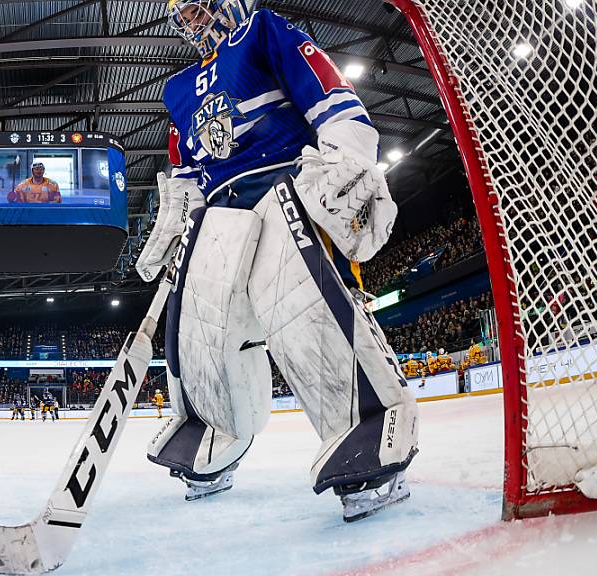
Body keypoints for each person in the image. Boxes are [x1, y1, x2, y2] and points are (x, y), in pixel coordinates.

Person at [135, 0, 417, 521]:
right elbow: (186, 167)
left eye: (199, 9)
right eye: (185, 16)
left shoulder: (263, 32)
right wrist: (179, 217)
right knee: (201, 333)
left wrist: (347, 155)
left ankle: (369, 432)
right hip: (218, 217)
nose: (192, 23)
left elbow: (327, 93)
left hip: (281, 189)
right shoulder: (176, 91)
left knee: (304, 313)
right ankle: (210, 435)